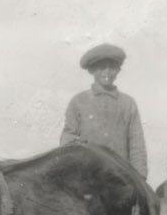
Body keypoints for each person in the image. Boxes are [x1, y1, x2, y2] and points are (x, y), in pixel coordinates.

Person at [60, 43, 148, 178]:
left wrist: (140, 177)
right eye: (101, 67)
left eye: (112, 68)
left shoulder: (127, 104)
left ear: (118, 70)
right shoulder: (79, 101)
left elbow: (137, 143)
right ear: (92, 70)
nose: (107, 72)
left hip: (120, 177)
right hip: (87, 175)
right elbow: (67, 138)